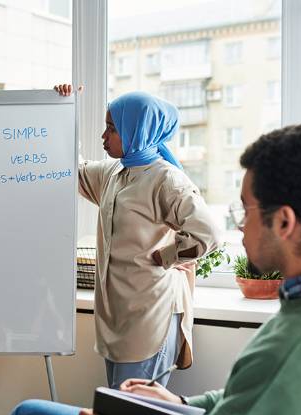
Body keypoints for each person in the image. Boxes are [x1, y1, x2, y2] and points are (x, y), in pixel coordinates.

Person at [37, 123, 301, 415]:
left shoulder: (295, 348)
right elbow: (247, 396)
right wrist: (177, 401)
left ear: (284, 222)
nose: (239, 226)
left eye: (246, 209)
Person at [59, 85, 222, 388]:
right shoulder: (114, 173)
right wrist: (63, 109)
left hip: (150, 316)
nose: (103, 137)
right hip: (117, 316)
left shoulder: (166, 179)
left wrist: (168, 255)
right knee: (120, 409)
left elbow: (209, 232)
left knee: (133, 413)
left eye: (112, 128)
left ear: (137, 130)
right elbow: (72, 169)